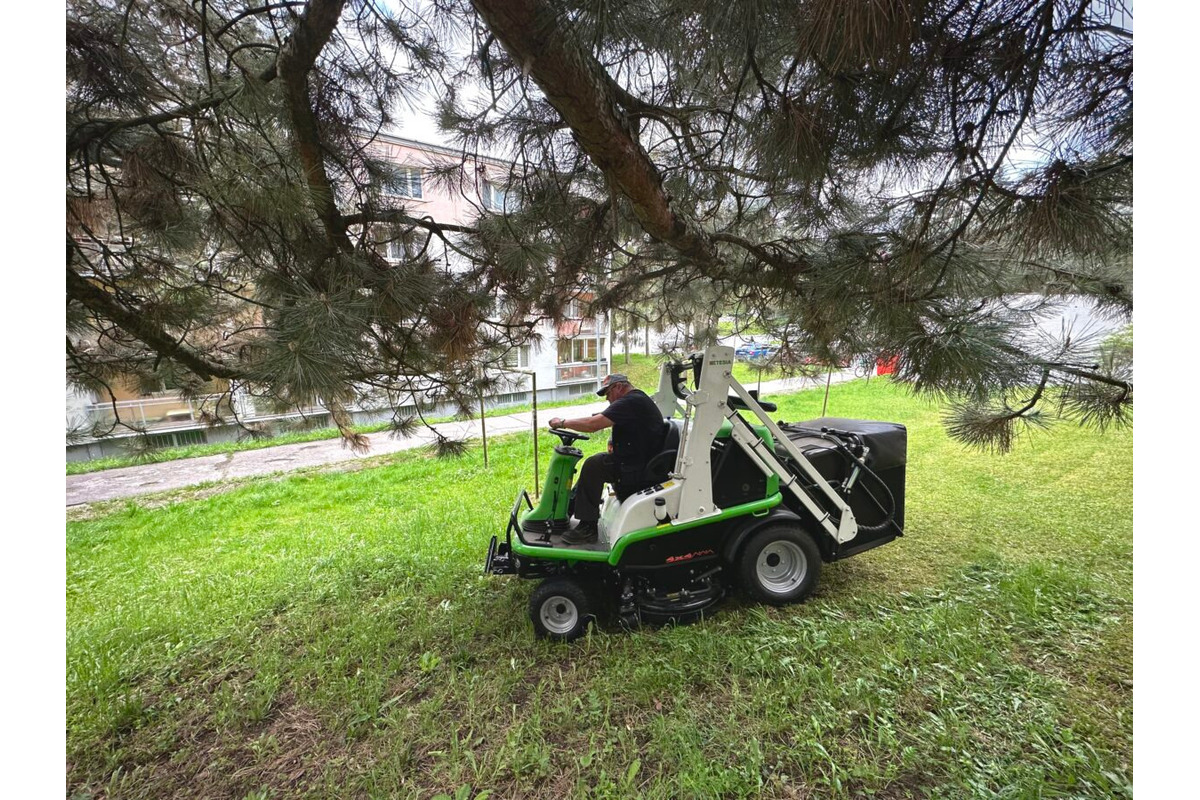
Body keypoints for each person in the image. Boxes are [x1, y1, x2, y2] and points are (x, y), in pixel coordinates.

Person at [548, 373, 665, 544]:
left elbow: (592, 425)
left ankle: (588, 528)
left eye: (608, 394)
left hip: (636, 467)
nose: (607, 399)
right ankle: (567, 511)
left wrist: (562, 422)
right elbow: (598, 417)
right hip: (635, 460)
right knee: (596, 463)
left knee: (594, 465)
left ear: (618, 387)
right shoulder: (634, 400)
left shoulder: (631, 401)